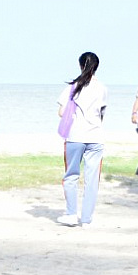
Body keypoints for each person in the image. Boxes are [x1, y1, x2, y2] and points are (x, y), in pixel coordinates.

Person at [56, 52, 108, 226]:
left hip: (75, 136)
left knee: (71, 175)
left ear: (80, 65)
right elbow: (102, 113)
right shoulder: (102, 88)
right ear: (97, 67)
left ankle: (71, 214)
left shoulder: (72, 87)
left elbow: (61, 112)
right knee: (92, 180)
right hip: (96, 137)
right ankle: (86, 220)